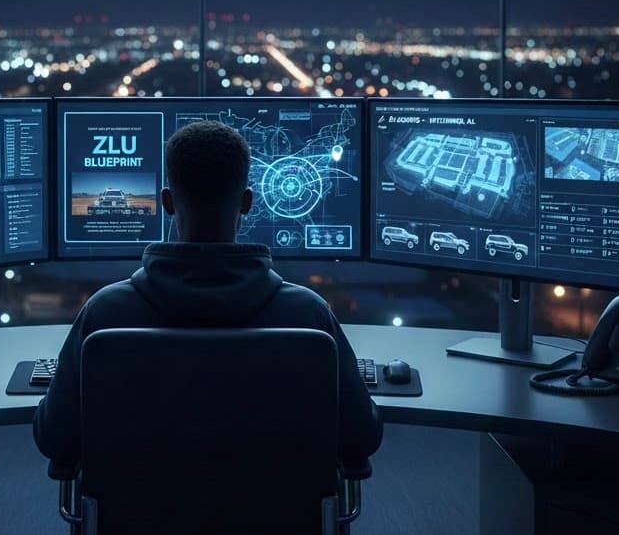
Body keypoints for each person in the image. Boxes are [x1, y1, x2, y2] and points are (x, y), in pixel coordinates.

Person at [33, 120, 384, 467]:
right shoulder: (307, 316)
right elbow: (361, 436)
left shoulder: (106, 314)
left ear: (167, 202)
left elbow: (55, 438)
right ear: (246, 202)